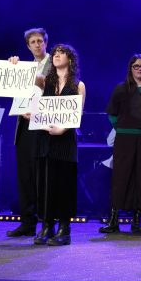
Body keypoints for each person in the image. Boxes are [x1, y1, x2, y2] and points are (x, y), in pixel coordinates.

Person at [32, 44, 86, 247]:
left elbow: (77, 115)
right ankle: (46, 225)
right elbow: (23, 81)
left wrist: (62, 129)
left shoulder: (78, 85)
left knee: (64, 185)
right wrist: (14, 65)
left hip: (64, 141)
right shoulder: (44, 81)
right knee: (44, 183)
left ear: (70, 59)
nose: (56, 55)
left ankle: (64, 228)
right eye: (54, 53)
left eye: (61, 53)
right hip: (44, 139)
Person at [101, 54, 141, 235]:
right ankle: (113, 219)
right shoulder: (121, 89)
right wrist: (122, 126)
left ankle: (136, 220)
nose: (139, 69)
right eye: (136, 66)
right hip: (125, 139)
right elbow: (111, 113)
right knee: (121, 177)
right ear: (130, 68)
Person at [6, 27, 52, 238]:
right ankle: (27, 222)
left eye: (40, 40)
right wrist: (11, 69)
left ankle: (46, 222)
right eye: (32, 41)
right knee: (25, 176)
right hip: (24, 125)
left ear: (45, 42)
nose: (37, 44)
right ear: (27, 45)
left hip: (43, 125)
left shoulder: (55, 63)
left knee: (42, 176)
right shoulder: (22, 66)